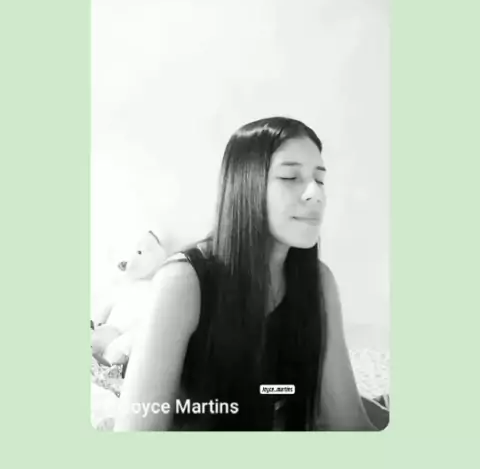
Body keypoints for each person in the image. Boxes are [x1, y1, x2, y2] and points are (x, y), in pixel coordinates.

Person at [114, 116, 381, 432]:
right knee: (114, 346)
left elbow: (348, 421)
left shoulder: (319, 283)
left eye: (319, 180)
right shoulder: (182, 282)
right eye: (291, 177)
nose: (316, 194)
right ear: (245, 184)